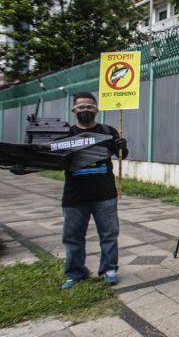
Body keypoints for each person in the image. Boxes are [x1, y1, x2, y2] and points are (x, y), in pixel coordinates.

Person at [60, 92, 128, 289]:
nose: (85, 110)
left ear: (96, 110)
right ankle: (75, 273)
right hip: (74, 195)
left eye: (89, 107)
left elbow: (123, 155)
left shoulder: (108, 131)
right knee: (72, 237)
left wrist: (122, 146)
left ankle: (109, 269)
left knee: (109, 234)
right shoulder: (66, 135)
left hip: (104, 194)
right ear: (74, 110)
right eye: (81, 107)